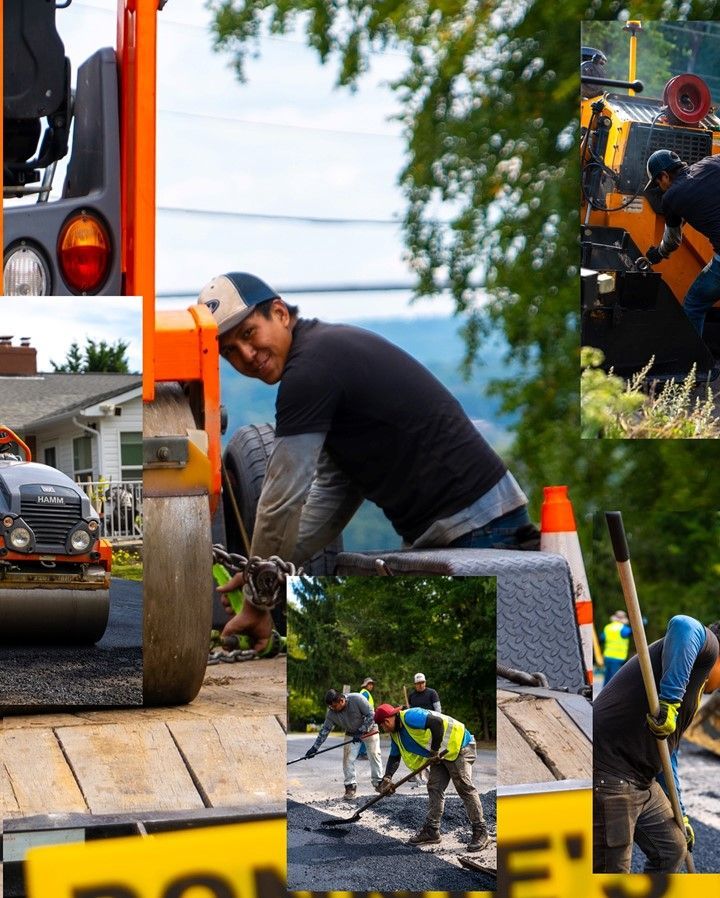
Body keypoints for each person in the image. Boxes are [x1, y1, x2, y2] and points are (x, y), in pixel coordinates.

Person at [199, 272, 532, 649]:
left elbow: (282, 500)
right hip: (475, 525)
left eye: (248, 334)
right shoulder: (325, 355)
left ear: (280, 313)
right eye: (229, 351)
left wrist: (258, 601)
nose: (246, 355)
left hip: (477, 531)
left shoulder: (309, 372)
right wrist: (262, 570)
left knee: (471, 667)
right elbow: (331, 497)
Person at [593, 615, 720, 873]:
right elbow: (684, 624)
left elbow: (667, 755)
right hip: (611, 770)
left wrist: (679, 811)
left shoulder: (694, 687)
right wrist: (670, 701)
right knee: (613, 871)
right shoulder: (709, 648)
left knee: (672, 848)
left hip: (642, 779)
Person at [374, 702, 489, 851]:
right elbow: (394, 757)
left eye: (383, 726)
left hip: (459, 745)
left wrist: (434, 751)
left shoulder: (410, 716)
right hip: (440, 755)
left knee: (464, 786)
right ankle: (432, 830)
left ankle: (481, 830)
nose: (384, 729)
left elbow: (437, 723)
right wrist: (387, 778)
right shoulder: (396, 735)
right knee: (434, 787)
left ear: (387, 720)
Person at [644, 149, 720, 336]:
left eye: (656, 182)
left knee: (694, 303)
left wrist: (659, 253)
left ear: (663, 176)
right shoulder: (711, 163)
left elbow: (673, 241)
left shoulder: (670, 198)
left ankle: (694, 364)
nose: (658, 187)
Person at [305, 688, 382, 800]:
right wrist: (314, 748)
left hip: (370, 729)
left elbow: (371, 715)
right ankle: (350, 786)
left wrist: (362, 730)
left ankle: (379, 783)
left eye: (334, 706)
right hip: (351, 732)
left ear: (341, 700)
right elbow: (325, 730)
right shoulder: (331, 713)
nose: (333, 709)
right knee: (347, 759)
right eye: (330, 707)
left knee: (374, 754)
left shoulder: (357, 699)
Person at [599, 611, 632, 685]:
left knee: (607, 677)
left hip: (607, 656)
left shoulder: (608, 627)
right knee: (614, 680)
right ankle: (610, 695)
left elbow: (602, 638)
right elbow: (631, 632)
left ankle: (604, 693)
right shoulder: (623, 628)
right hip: (618, 657)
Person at [357, 677, 375, 760]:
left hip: (365, 716)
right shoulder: (365, 693)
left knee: (363, 735)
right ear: (365, 685)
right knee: (365, 735)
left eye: (372, 684)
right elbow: (363, 705)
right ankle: (362, 753)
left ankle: (360, 753)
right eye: (369, 684)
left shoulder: (364, 692)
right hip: (366, 717)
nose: (371, 686)